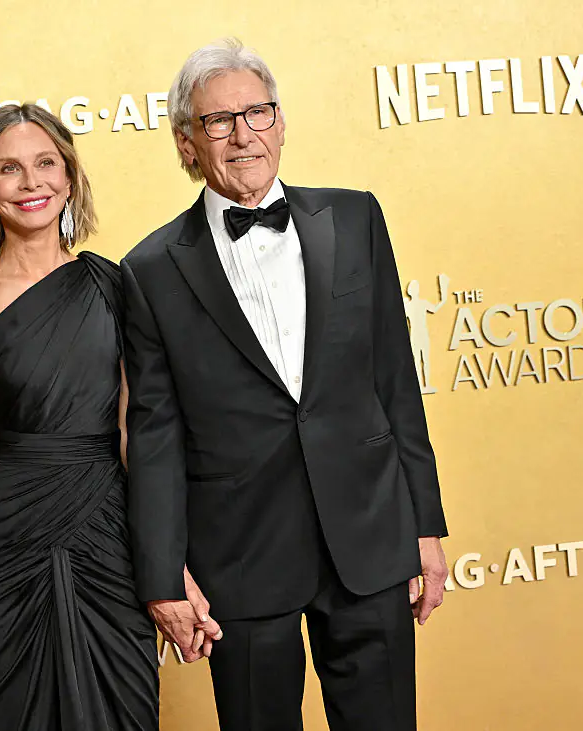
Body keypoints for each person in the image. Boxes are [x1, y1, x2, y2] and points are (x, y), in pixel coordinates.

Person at [122, 39, 449, 731]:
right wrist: (161, 575)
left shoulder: (355, 216)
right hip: (239, 557)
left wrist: (424, 521)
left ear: (280, 119)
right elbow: (153, 434)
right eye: (218, 122)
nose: (244, 135)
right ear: (187, 144)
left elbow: (394, 377)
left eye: (258, 112)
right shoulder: (148, 269)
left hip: (367, 535)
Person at [0, 103, 158, 731]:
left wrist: (169, 568)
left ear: (69, 176)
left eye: (45, 164)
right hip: (4, 544)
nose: (31, 183)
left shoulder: (114, 284)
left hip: (108, 532)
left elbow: (136, 435)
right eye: (9, 168)